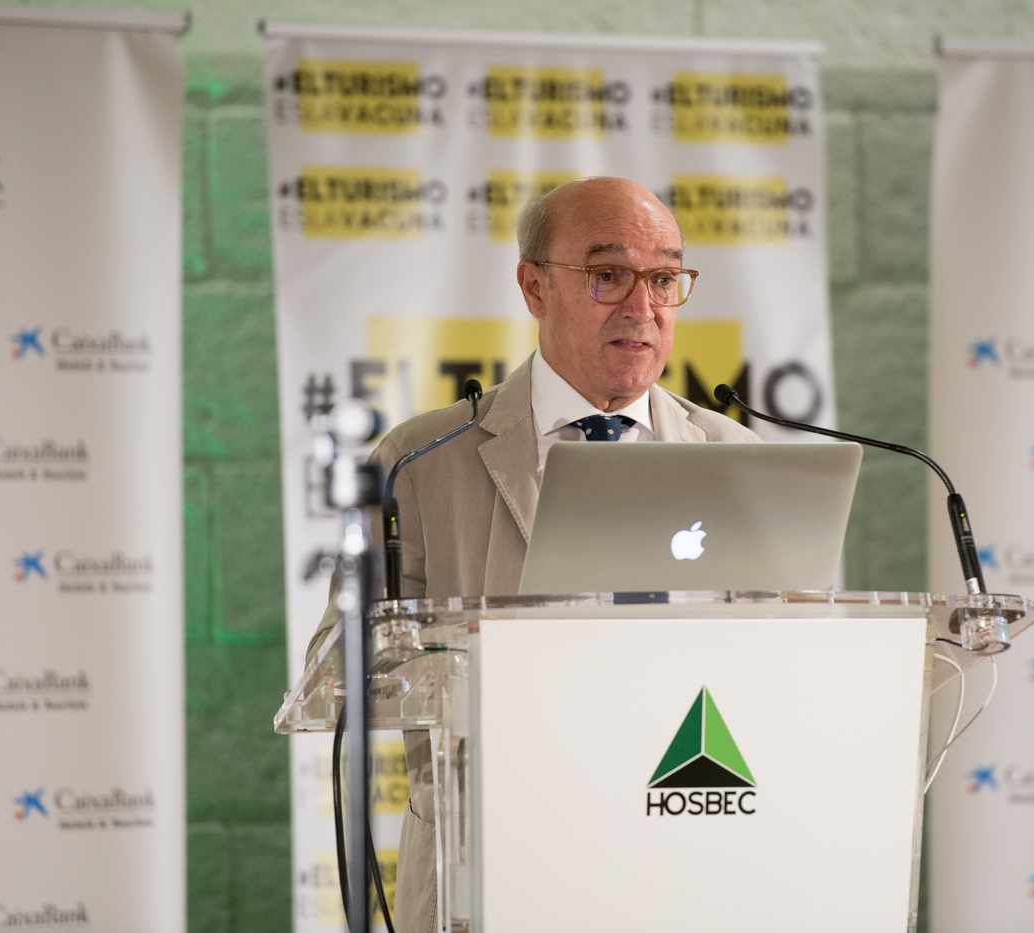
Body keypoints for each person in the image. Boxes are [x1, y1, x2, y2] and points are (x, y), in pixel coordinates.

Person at [307, 176, 760, 933]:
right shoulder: (421, 460)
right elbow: (339, 668)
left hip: (682, 852)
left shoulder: (736, 457)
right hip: (485, 866)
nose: (643, 308)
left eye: (663, 280)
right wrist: (479, 660)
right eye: (608, 275)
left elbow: (783, 666)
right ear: (534, 287)